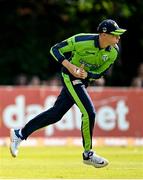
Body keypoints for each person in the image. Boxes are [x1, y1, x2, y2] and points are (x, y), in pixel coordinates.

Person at [10, 19, 126, 168]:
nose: (118, 38)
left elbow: (100, 73)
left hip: (83, 80)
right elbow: (55, 49)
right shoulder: (81, 40)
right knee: (89, 112)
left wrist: (87, 74)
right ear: (103, 34)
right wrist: (71, 67)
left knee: (56, 114)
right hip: (69, 77)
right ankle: (87, 154)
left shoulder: (114, 52)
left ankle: (19, 134)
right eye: (115, 34)